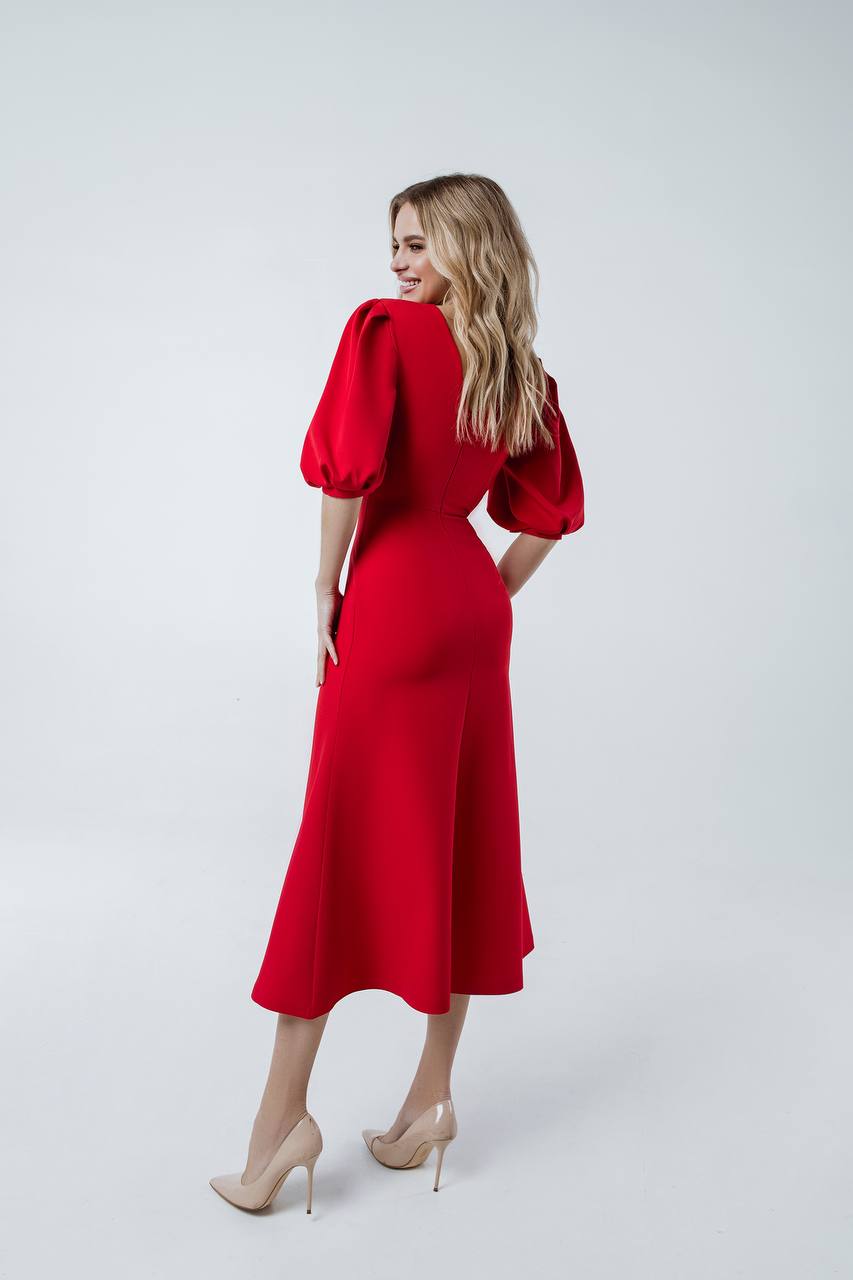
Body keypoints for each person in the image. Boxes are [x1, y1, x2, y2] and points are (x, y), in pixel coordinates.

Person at [209, 173, 585, 1213]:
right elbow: (547, 514)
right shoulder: (520, 372)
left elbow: (344, 476)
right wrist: (490, 594)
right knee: (456, 840)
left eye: (416, 242)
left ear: (465, 244)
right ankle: (430, 1098)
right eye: (395, 245)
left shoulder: (384, 334)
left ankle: (281, 1122)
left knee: (333, 849)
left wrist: (325, 585)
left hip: (390, 603)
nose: (397, 263)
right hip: (468, 607)